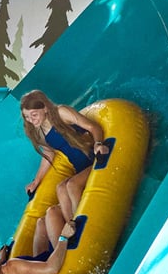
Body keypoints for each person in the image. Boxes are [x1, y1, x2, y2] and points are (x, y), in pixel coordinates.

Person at [20, 90, 109, 222]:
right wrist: (36, 181)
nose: (31, 120)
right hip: (80, 167)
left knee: (72, 185)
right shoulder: (39, 131)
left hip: (94, 158)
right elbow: (49, 154)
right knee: (60, 188)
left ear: (44, 108)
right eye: (27, 117)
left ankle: (82, 222)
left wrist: (98, 143)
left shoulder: (61, 112)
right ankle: (71, 226)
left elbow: (93, 127)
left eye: (34, 115)